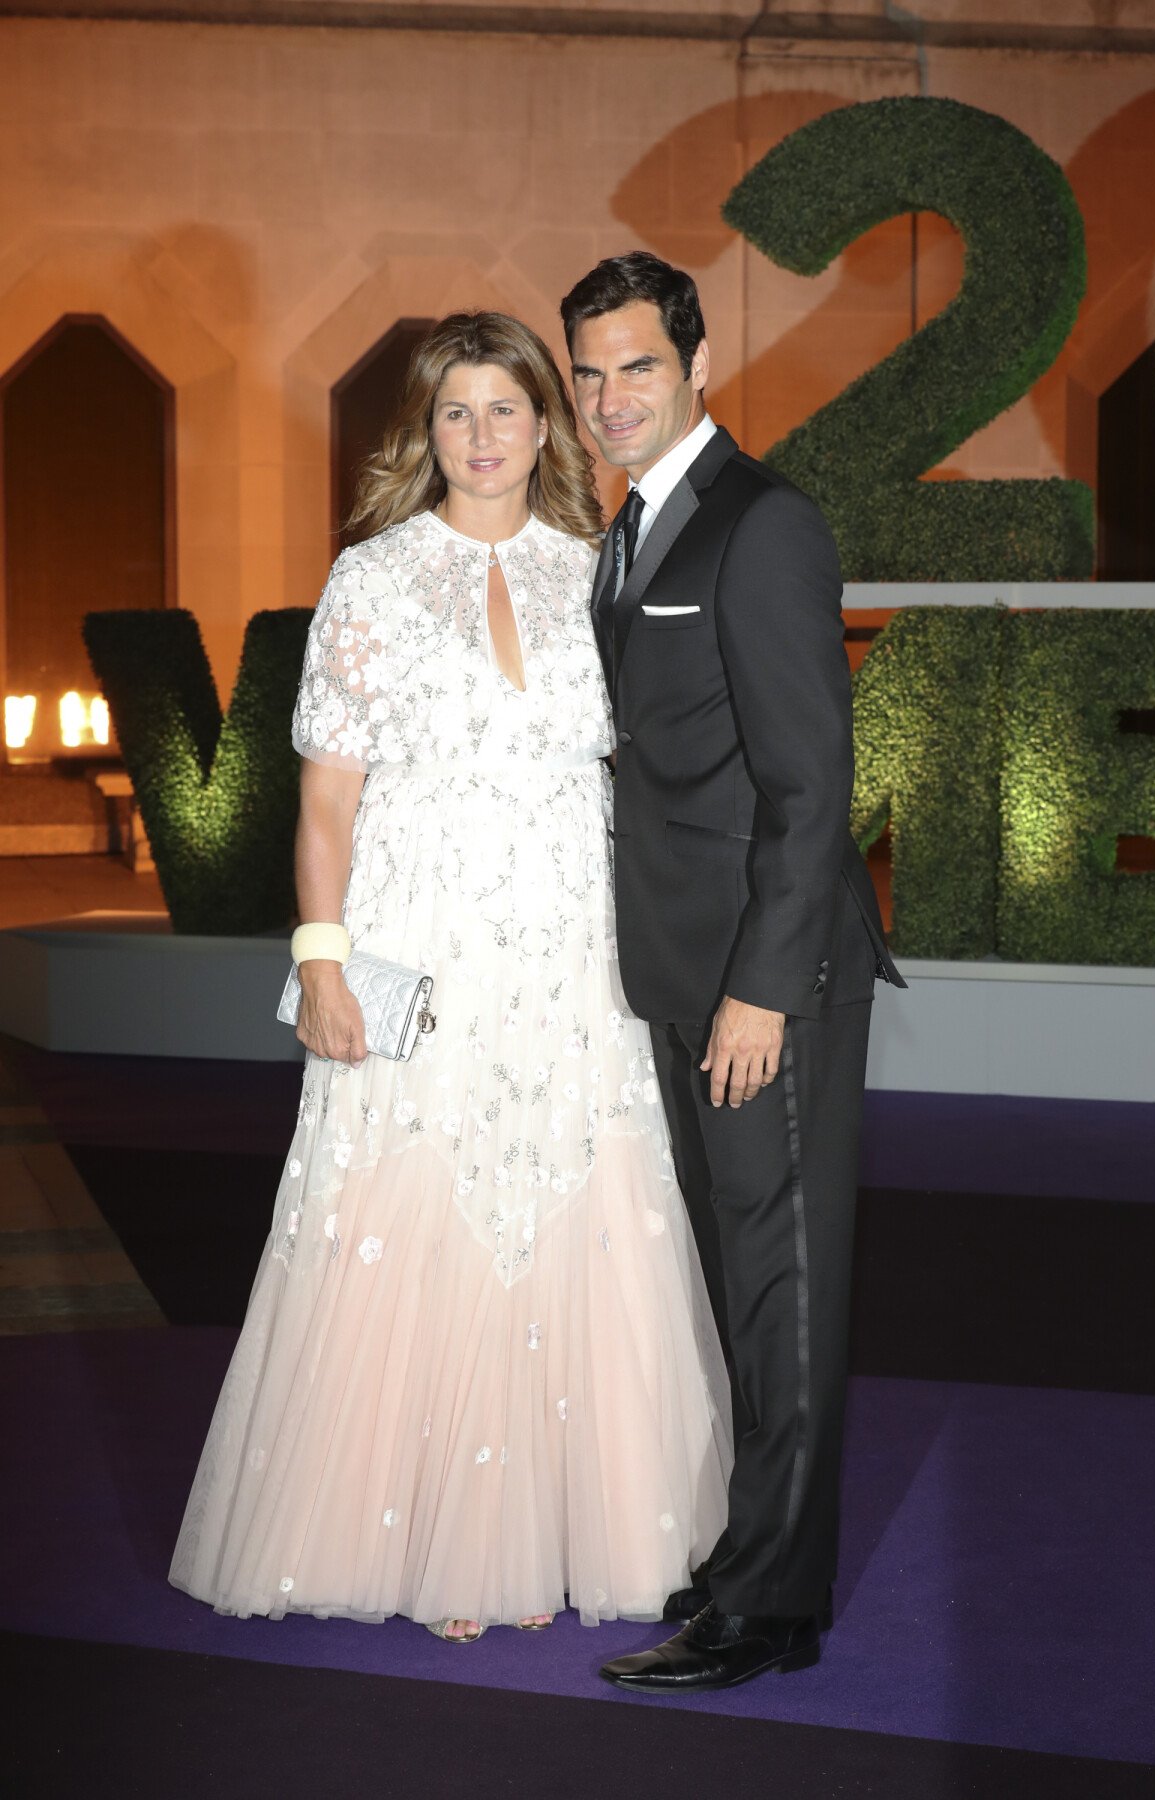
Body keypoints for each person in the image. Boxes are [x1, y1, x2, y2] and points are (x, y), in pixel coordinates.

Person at [169, 311, 732, 1641]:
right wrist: (319, 963)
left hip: (572, 951)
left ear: (551, 423)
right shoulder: (370, 582)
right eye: (454, 415)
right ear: (426, 436)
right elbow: (324, 806)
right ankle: (423, 1544)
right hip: (412, 942)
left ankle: (549, 1534)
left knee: (575, 1207)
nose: (481, 437)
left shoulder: (598, 572)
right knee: (412, 1209)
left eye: (505, 409)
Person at [559, 253, 904, 1692]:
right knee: (735, 1278)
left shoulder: (763, 527)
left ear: (697, 363)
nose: (609, 398)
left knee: (783, 1285)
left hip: (772, 981)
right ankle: (754, 1547)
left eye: (637, 365)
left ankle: (771, 1608)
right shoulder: (631, 534)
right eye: (588, 373)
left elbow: (812, 787)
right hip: (685, 974)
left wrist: (761, 989)